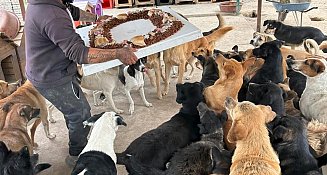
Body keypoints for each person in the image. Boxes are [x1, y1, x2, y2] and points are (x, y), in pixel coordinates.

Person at [24, 0, 138, 167]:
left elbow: (72, 11)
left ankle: (74, 132)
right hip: (52, 77)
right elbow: (79, 53)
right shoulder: (52, 15)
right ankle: (76, 156)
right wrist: (118, 53)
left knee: (71, 110)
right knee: (80, 113)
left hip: (47, 68)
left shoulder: (52, 3)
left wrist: (96, 18)